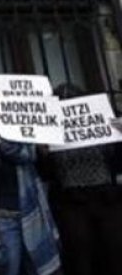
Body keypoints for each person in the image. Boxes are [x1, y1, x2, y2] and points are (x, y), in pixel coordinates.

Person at [0, 102, 61, 275]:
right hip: (4, 218)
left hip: (34, 215)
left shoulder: (31, 144)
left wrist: (44, 151)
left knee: (36, 268)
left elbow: (49, 173)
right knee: (9, 269)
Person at [43, 84, 122, 275]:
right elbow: (46, 173)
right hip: (71, 201)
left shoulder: (106, 124)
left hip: (106, 197)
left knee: (114, 251)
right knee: (80, 256)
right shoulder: (49, 132)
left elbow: (118, 162)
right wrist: (43, 151)